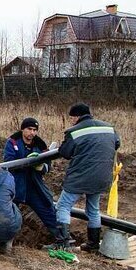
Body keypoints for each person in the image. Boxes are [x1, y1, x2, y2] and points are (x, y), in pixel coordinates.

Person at [52, 102, 120, 251]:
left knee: (63, 206)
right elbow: (116, 144)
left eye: (71, 118)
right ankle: (93, 244)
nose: (71, 121)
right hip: (102, 176)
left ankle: (62, 243)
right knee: (93, 210)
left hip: (80, 176)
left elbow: (65, 152)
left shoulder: (74, 131)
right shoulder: (109, 127)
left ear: (77, 116)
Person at [3, 117, 59, 243]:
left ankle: (61, 239)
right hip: (15, 185)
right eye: (29, 129)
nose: (32, 133)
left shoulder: (40, 145)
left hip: (34, 185)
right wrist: (27, 161)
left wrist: (40, 167)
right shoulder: (13, 142)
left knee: (48, 210)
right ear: (23, 129)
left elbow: (47, 166)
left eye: (35, 130)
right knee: (10, 215)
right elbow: (8, 163)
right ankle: (6, 242)